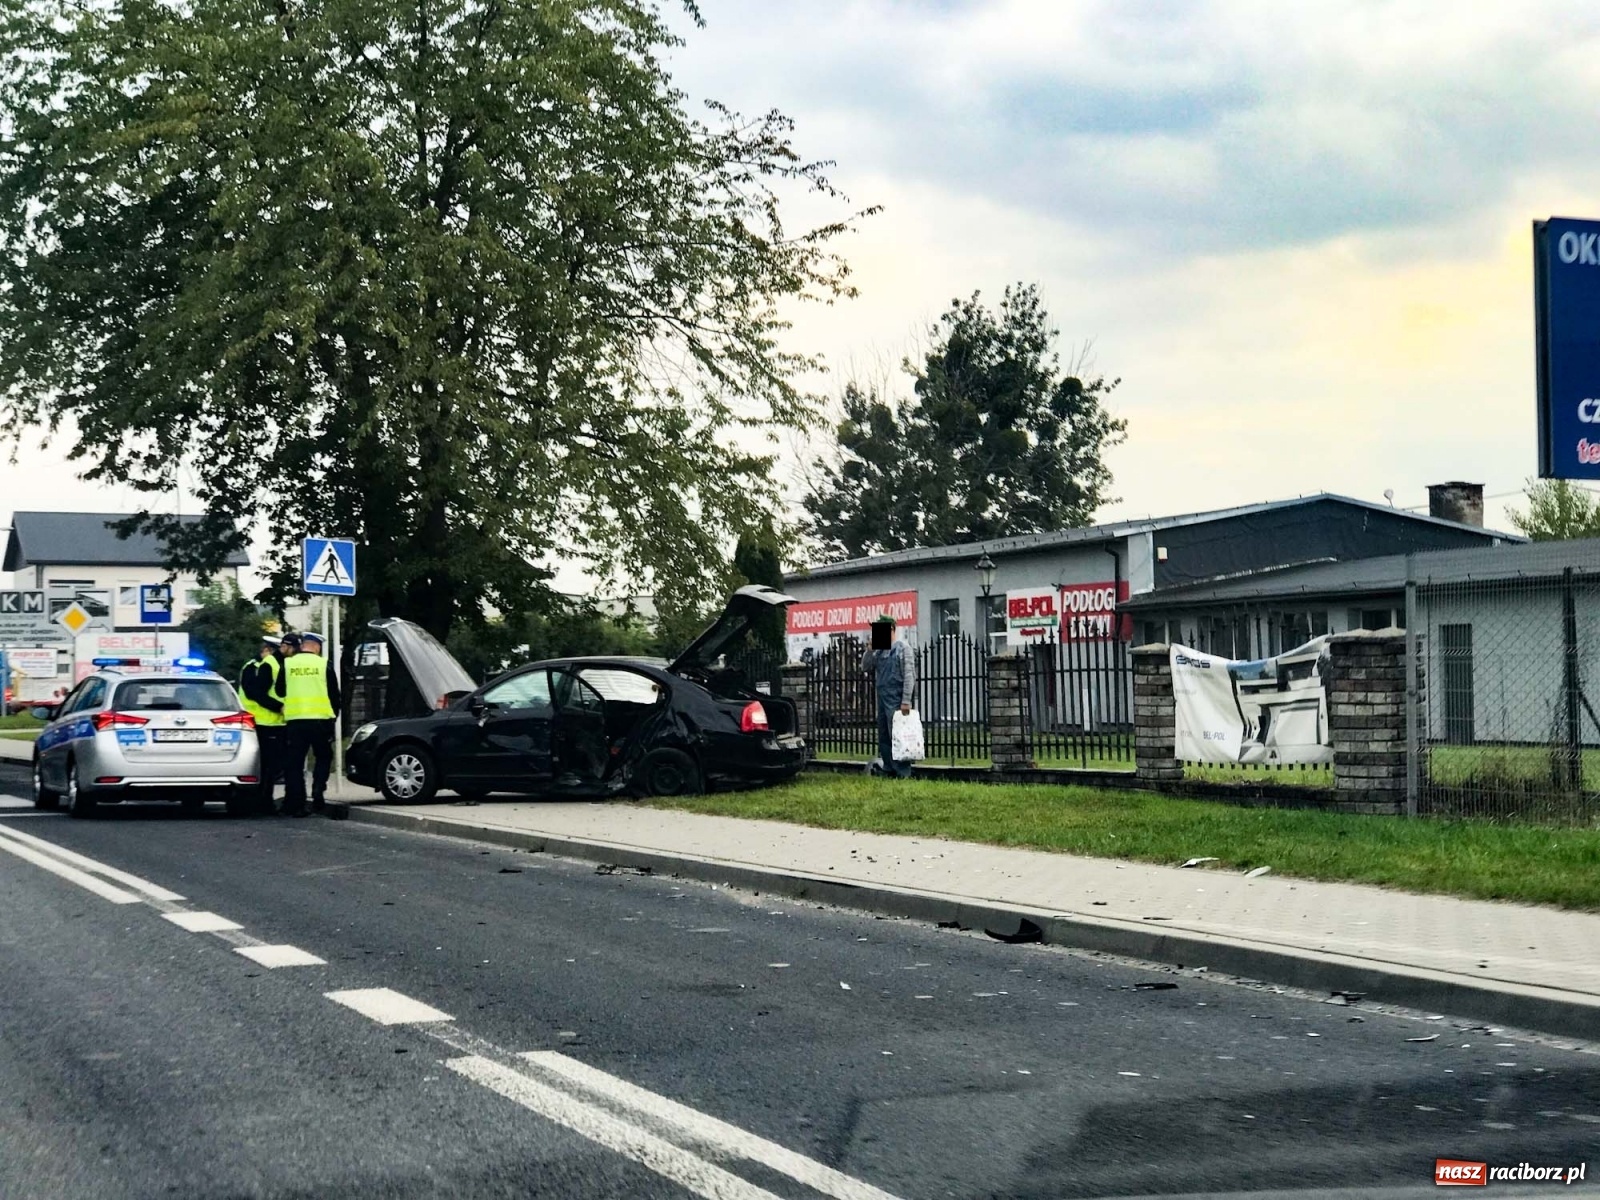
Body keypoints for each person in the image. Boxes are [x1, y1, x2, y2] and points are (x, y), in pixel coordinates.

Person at [275, 631, 340, 816]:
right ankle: (318, 789)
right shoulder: (323, 664)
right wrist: (333, 718)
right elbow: (335, 696)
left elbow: (280, 690)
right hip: (321, 721)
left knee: (294, 763)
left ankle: (298, 804)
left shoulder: (288, 664)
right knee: (324, 757)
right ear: (317, 647)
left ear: (303, 645)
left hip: (295, 721)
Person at [860, 614, 916, 778]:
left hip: (897, 699)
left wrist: (906, 701)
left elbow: (909, 676)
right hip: (882, 699)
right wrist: (869, 651)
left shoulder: (903, 649)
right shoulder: (879, 652)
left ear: (891, 629)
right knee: (884, 734)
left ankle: (903, 771)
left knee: (899, 735)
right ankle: (889, 767)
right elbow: (865, 667)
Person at [238, 634, 286, 815]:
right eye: (272, 652)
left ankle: (264, 800)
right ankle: (261, 802)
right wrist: (278, 707)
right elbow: (253, 694)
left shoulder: (270, 666)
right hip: (258, 723)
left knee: (272, 766)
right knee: (264, 766)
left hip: (274, 722)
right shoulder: (252, 668)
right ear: (266, 650)